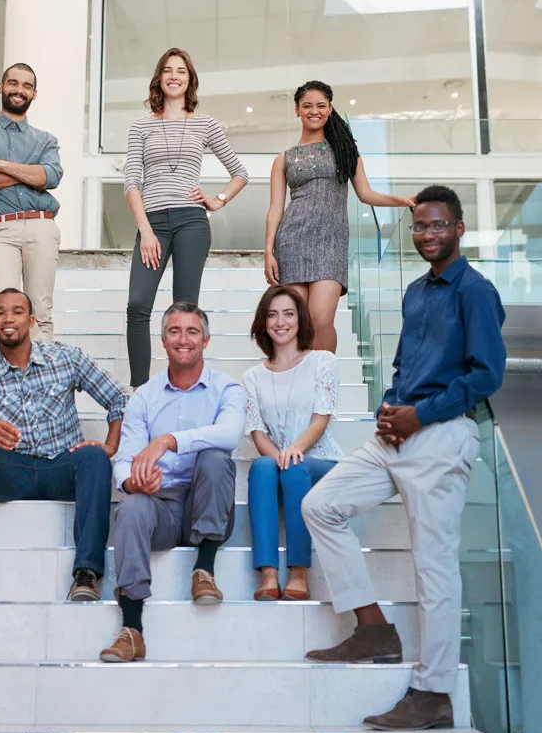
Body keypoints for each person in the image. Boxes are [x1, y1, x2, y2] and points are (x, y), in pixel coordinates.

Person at [301, 185, 506, 731]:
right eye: (419, 226)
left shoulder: (476, 291)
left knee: (433, 567)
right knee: (320, 504)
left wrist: (423, 414)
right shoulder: (415, 291)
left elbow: (487, 373)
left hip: (442, 436)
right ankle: (373, 628)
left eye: (437, 225)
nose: (427, 234)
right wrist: (391, 407)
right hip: (398, 433)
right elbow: (400, 364)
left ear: (458, 230)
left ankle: (434, 692)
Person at [0, 288, 128, 603]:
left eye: (17, 311)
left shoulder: (66, 358)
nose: (8, 319)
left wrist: (110, 444)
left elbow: (117, 397)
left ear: (32, 320)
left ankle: (87, 574)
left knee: (94, 457)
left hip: (63, 467)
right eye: (0, 312)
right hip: (14, 472)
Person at [100, 302, 245, 663]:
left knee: (214, 458)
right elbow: (123, 460)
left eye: (192, 332)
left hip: (205, 501)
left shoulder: (228, 388)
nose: (184, 340)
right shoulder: (144, 397)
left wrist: (169, 440)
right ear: (163, 340)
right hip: (160, 507)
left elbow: (229, 435)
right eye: (175, 332)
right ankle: (132, 629)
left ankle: (204, 569)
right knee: (130, 507)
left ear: (206, 340)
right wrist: (135, 483)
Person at [124, 47, 249, 388]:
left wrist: (217, 200)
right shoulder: (140, 127)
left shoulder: (205, 124)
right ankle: (140, 389)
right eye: (168, 70)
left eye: (181, 70)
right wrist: (145, 231)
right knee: (138, 305)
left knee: (184, 309)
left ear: (190, 79)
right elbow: (132, 182)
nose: (174, 75)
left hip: (191, 221)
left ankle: (182, 385)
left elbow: (240, 172)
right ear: (159, 78)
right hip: (153, 223)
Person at [264, 79, 415, 354]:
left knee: (321, 320)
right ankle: (299, 387)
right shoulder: (283, 159)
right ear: (297, 109)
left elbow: (366, 194)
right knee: (296, 322)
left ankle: (324, 389)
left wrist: (401, 200)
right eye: (307, 105)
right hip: (292, 241)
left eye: (321, 105)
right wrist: (268, 251)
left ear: (330, 109)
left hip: (331, 242)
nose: (314, 110)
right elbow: (275, 208)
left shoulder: (346, 152)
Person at [243, 286, 341, 601]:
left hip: (321, 461)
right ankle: (268, 573)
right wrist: (281, 457)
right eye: (272, 314)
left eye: (288, 313)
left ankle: (299, 573)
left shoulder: (322, 361)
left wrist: (294, 451)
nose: (280, 322)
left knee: (294, 467)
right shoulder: (252, 376)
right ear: (263, 322)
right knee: (261, 467)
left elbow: (321, 419)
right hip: (282, 463)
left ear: (300, 320)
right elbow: (258, 434)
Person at [0, 63, 63, 340]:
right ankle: (13, 378)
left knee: (40, 312)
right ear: (1, 87)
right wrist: (29, 172)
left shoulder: (45, 140)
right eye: (13, 83)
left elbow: (51, 177)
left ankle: (43, 381)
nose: (19, 90)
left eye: (26, 86)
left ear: (34, 94)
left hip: (42, 227)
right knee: (6, 309)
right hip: (1, 229)